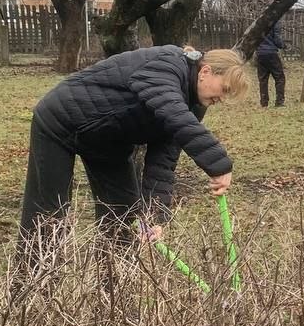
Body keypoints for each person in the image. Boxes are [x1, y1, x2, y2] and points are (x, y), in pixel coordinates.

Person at [17, 46, 248, 254]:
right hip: (60, 122)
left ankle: (113, 295)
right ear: (205, 71)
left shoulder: (192, 105)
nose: (223, 98)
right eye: (225, 89)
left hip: (108, 141)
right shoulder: (167, 65)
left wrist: (154, 215)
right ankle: (30, 294)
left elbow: (163, 161)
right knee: (48, 217)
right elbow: (172, 112)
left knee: (123, 219)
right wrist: (218, 164)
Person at [255, 18, 287, 108]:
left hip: (260, 53)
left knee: (263, 79)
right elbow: (277, 40)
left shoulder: (259, 22)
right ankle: (279, 102)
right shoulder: (275, 21)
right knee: (280, 77)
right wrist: (283, 45)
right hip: (271, 53)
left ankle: (264, 103)